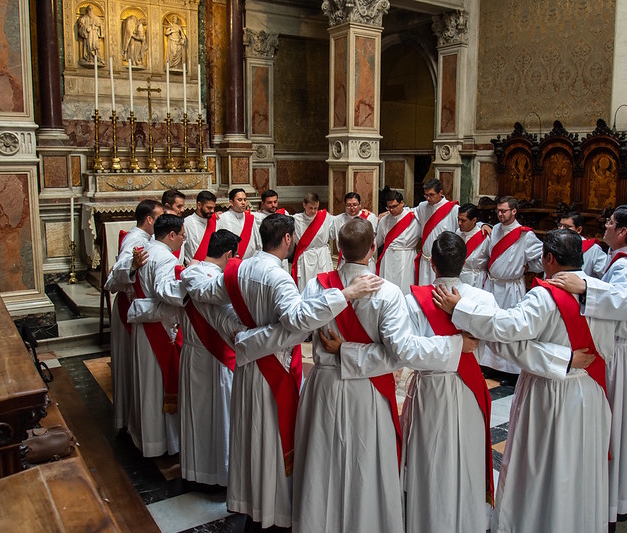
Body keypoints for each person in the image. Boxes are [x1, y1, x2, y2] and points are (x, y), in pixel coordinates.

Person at [237, 217, 469, 532]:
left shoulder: (316, 285)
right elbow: (397, 354)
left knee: (322, 461)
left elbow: (298, 328)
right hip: (367, 391)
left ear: (339, 249)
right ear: (373, 248)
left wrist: (344, 351)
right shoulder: (388, 292)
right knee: (365, 464)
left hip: (324, 387)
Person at [434, 229, 627, 533]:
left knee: (542, 464)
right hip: (589, 392)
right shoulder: (604, 294)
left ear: (548, 258)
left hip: (548, 392)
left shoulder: (544, 296)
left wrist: (460, 309)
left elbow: (507, 328)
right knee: (579, 465)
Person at [184, 213, 383, 531]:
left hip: (248, 368)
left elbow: (207, 293)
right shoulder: (278, 277)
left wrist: (194, 276)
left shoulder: (240, 268)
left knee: (249, 433)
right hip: (272, 366)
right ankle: (272, 510)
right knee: (270, 439)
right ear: (287, 238)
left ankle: (250, 502)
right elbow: (297, 319)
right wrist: (345, 294)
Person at [401, 231, 580, 533]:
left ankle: (426, 519)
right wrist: (565, 358)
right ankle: (468, 520)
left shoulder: (412, 300)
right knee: (467, 455)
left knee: (429, 455)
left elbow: (408, 351)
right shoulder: (482, 298)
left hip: (430, 388)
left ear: (432, 264)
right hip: (470, 388)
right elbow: (503, 344)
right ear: (465, 262)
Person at [547, 205, 627, 526]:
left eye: (610, 223)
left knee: (618, 429)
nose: (604, 226)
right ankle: (625, 494)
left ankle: (613, 500)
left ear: (622, 232)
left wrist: (587, 288)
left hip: (623, 357)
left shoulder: (626, 266)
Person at [178, 230, 244, 486]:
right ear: (228, 255)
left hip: (194, 353)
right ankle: (221, 475)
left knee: (198, 415)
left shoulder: (188, 273)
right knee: (221, 417)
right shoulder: (218, 282)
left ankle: (196, 471)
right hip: (216, 356)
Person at [126, 214, 186, 457]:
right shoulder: (165, 258)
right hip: (158, 327)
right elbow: (165, 292)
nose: (183, 240)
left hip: (145, 326)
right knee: (157, 385)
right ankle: (159, 442)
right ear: (171, 235)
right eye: (182, 235)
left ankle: (145, 437)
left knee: (146, 383)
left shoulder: (146, 250)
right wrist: (190, 287)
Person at [104, 199, 162, 431]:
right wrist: (132, 266)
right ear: (149, 219)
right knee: (130, 366)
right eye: (159, 217)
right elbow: (114, 277)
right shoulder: (136, 240)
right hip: (129, 307)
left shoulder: (146, 239)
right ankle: (130, 420)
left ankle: (132, 418)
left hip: (135, 306)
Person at [481, 195, 543, 377]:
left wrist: (528, 267)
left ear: (514, 211)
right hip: (492, 284)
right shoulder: (495, 229)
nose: (500, 214)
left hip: (511, 288)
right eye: (498, 211)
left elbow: (541, 259)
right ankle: (489, 364)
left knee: (509, 327)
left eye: (504, 211)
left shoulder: (525, 235)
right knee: (490, 323)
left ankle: (509, 370)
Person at [413, 178, 458, 285]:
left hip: (443, 263)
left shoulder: (453, 209)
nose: (428, 198)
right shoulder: (422, 206)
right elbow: (408, 213)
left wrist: (484, 225)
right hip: (426, 260)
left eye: (431, 195)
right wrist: (387, 213)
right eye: (426, 195)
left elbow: (466, 226)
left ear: (440, 192)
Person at [374, 190, 419, 294]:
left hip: (406, 255)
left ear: (402, 203)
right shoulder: (384, 220)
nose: (392, 210)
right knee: (387, 287)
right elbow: (377, 241)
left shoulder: (414, 218)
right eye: (389, 207)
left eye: (394, 206)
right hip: (389, 257)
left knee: (404, 287)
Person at [292, 192, 335, 291]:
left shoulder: (324, 217)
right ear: (304, 205)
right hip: (306, 257)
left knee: (324, 286)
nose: (313, 211)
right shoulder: (296, 219)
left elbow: (341, 220)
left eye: (316, 208)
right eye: (310, 208)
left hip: (322, 256)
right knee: (306, 287)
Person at [333, 192, 378, 269]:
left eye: (355, 205)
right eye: (348, 205)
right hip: (345, 261)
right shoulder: (338, 219)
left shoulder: (370, 217)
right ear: (345, 206)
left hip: (366, 261)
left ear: (360, 205)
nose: (352, 208)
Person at [558, 211, 606, 278]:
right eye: (560, 226)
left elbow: (605, 276)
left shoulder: (593, 249)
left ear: (578, 230)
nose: (561, 230)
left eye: (566, 227)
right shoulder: (555, 245)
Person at [217, 188, 261, 259]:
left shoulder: (250, 218)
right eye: (240, 200)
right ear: (231, 202)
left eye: (245, 200)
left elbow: (258, 243)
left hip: (249, 261)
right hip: (230, 261)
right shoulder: (222, 218)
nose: (243, 203)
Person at [456, 203, 489, 288]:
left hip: (476, 279)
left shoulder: (484, 236)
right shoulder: (458, 232)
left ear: (474, 220)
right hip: (460, 276)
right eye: (458, 219)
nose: (459, 223)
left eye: (463, 220)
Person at [183, 190, 217, 263]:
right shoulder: (187, 223)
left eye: (213, 208)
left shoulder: (214, 221)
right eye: (209, 208)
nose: (212, 211)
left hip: (211, 266)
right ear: (199, 205)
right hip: (193, 267)